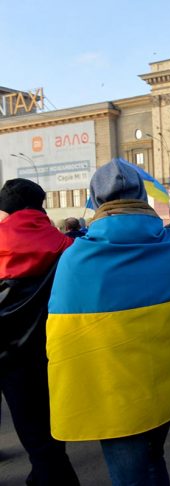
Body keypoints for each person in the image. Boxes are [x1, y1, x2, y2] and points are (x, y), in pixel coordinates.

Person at [46, 160, 170, 486]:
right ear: (141, 194)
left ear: (96, 200)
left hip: (112, 393)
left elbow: (63, 336)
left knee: (129, 475)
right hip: (165, 384)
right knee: (154, 458)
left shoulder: (76, 258)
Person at [0, 179, 80, 485]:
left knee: (35, 436)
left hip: (8, 356)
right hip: (55, 350)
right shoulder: (68, 246)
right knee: (50, 426)